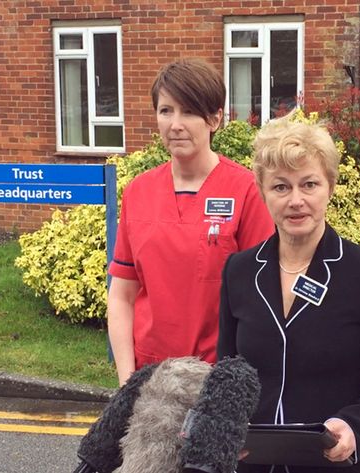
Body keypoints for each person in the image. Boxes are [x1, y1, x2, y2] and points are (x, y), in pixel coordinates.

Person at [217, 117, 360, 473]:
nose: (296, 201)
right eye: (280, 187)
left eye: (309, 184)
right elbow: (227, 375)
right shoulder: (239, 271)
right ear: (262, 191)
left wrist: (355, 425)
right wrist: (223, 428)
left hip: (331, 465)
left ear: (330, 187)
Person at [108, 58, 274, 386]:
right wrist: (127, 384)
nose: (175, 124)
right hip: (148, 378)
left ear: (214, 119)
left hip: (215, 378)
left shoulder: (245, 191)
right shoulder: (138, 192)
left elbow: (262, 300)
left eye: (189, 111)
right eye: (166, 110)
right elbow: (122, 295)